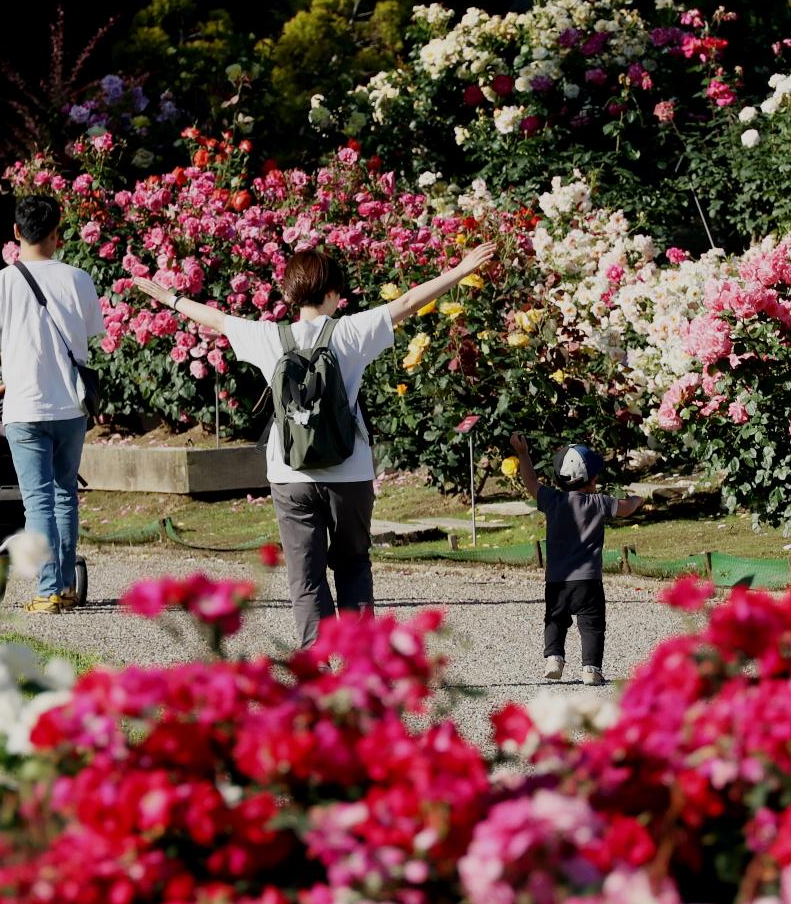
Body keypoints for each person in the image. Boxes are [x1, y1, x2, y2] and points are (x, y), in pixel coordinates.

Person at [130, 241, 498, 645]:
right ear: (330, 293)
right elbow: (409, 301)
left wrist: (170, 297)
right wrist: (461, 269)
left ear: (290, 294)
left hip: (290, 474)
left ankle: (317, 661)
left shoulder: (267, 336)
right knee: (354, 564)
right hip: (350, 472)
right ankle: (361, 662)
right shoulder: (351, 331)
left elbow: (217, 320)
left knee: (305, 575)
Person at [0, 195, 105, 613]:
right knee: (65, 497)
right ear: (57, 233)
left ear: (15, 233)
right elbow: (89, 339)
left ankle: (47, 590)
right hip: (71, 410)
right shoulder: (79, 279)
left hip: (24, 409)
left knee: (38, 500)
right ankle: (62, 586)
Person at [508, 434, 644, 685]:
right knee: (592, 625)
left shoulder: (552, 500)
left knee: (555, 619)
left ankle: (554, 658)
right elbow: (625, 507)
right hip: (589, 582)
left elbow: (530, 481)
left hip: (557, 580)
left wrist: (523, 453)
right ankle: (591, 669)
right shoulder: (598, 502)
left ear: (559, 479)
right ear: (593, 479)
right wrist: (637, 500)